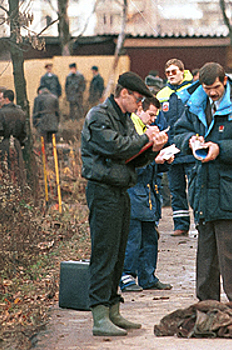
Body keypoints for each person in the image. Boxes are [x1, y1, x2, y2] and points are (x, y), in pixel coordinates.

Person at [81, 71, 170, 336]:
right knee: (104, 252)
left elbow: (131, 157)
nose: (140, 105)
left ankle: (112, 308)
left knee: (118, 252)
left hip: (121, 190)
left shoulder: (125, 119)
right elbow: (117, 147)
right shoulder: (98, 116)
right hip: (103, 190)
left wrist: (151, 150)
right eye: (138, 99)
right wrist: (145, 139)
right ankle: (99, 314)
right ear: (124, 95)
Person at [172, 62, 232, 302]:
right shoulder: (195, 105)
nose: (211, 92)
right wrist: (190, 141)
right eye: (205, 87)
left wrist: (219, 148)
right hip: (203, 190)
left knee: (231, 257)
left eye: (214, 87)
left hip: (231, 191)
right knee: (206, 256)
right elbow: (178, 132)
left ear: (224, 81)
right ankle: (207, 305)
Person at [120, 96, 173, 292]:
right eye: (151, 115)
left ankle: (148, 276)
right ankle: (126, 277)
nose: (153, 120)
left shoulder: (146, 131)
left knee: (150, 237)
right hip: (134, 193)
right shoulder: (132, 132)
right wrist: (153, 159)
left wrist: (163, 161)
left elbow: (149, 168)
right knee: (132, 238)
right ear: (140, 109)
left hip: (149, 194)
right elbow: (133, 164)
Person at [157, 58, 195, 236]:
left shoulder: (193, 90)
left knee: (195, 186)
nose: (171, 75)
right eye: (168, 73)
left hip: (189, 147)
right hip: (170, 149)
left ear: (182, 71)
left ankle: (202, 222)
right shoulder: (161, 94)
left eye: (174, 71)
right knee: (175, 188)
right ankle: (180, 224)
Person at [0, 89, 27, 185]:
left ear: (6, 99)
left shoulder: (1, 113)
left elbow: (0, 130)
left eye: (1, 98)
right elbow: (24, 132)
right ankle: (19, 191)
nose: (0, 100)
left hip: (4, 144)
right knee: (18, 170)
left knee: (5, 170)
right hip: (17, 144)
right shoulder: (21, 113)